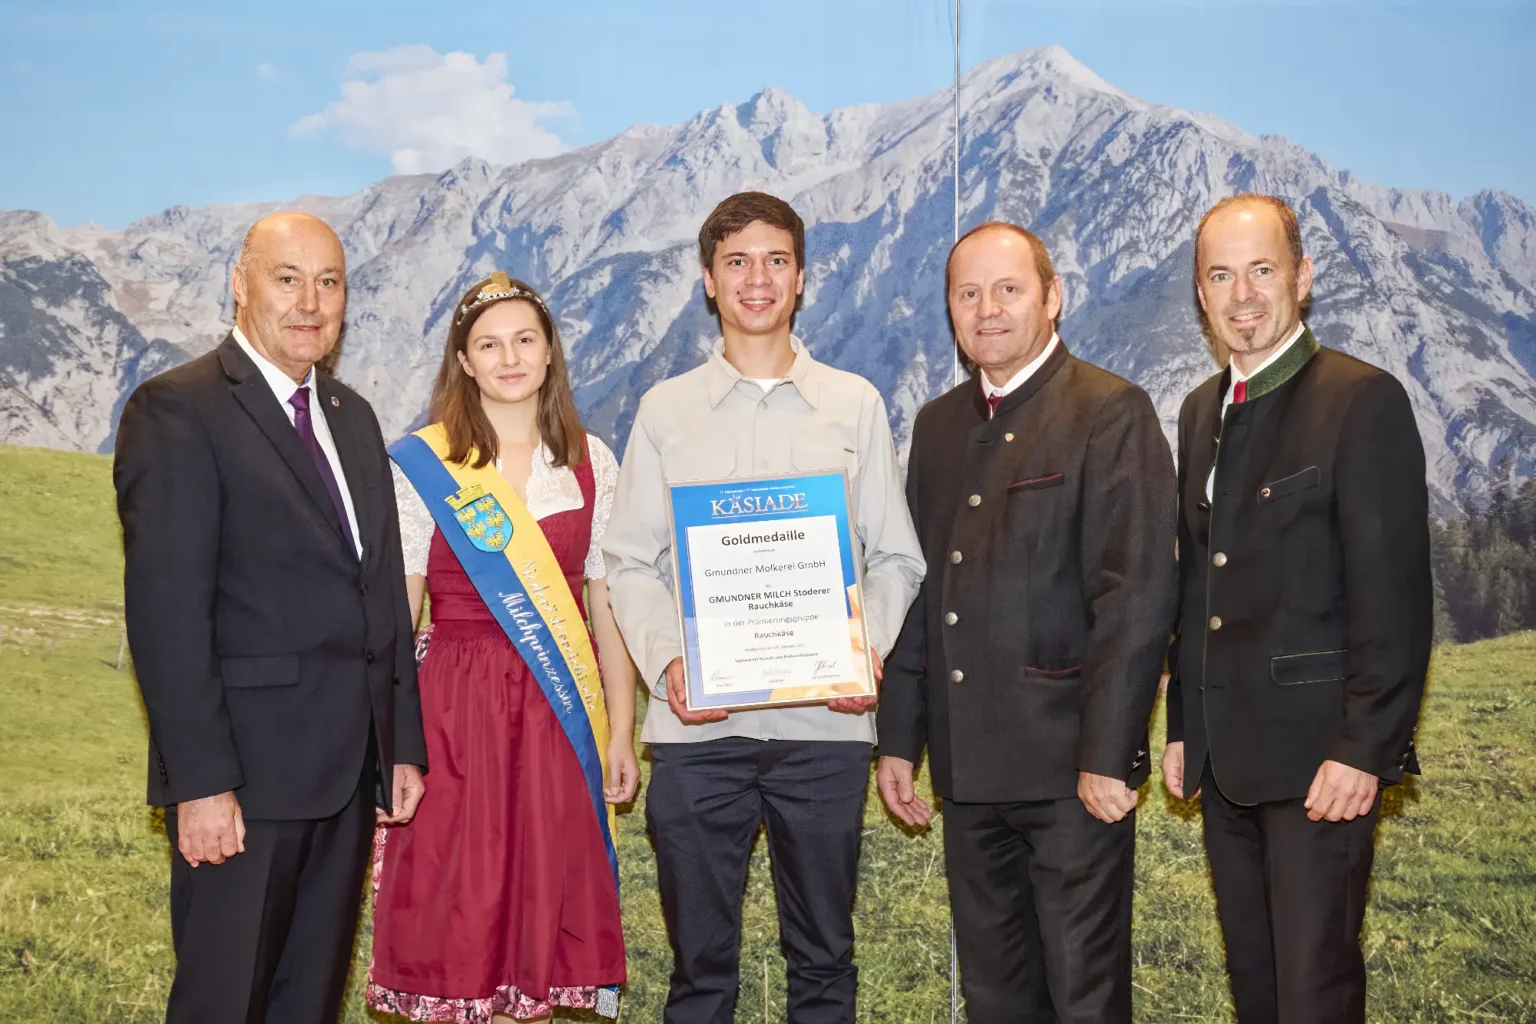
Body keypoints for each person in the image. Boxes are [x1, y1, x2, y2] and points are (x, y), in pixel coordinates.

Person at [602, 191, 924, 1023]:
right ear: (709, 280)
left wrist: (868, 648)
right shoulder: (665, 411)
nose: (757, 279)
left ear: (802, 278)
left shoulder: (853, 404)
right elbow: (628, 559)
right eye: (736, 261)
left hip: (824, 731)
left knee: (823, 962)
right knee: (700, 973)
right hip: (698, 736)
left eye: (776, 260)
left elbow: (895, 556)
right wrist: (672, 658)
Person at [113, 210, 427, 1024]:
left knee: (307, 1004)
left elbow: (382, 591)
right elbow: (167, 615)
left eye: (329, 283)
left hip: (349, 776)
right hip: (244, 786)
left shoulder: (354, 418)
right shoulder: (177, 410)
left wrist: (400, 743)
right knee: (225, 1003)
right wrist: (203, 783)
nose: (310, 302)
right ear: (241, 283)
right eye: (288, 279)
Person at [876, 221, 1177, 1024]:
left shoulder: (1111, 410)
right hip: (968, 773)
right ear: (950, 310)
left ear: (1052, 296)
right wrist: (900, 738)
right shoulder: (938, 426)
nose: (988, 310)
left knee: (1083, 996)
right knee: (996, 999)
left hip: (1072, 776)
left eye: (1008, 289)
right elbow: (920, 590)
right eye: (967, 294)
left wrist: (1109, 756)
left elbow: (1137, 592)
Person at [1162, 193, 1432, 1024]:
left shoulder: (1363, 399)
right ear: (1201, 296)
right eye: (1221, 275)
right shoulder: (1200, 409)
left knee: (1314, 997)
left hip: (1323, 767)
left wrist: (1365, 748)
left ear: (1302, 278)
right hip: (1225, 762)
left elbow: (1395, 598)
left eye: (1262, 270)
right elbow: (1197, 585)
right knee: (1258, 993)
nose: (1242, 294)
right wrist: (1181, 726)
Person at [367, 272, 637, 1023]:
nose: (509, 357)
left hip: (559, 707)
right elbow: (402, 608)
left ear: (550, 353)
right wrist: (395, 740)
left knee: (541, 896)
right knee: (459, 898)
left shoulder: (593, 462)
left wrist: (620, 729)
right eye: (489, 344)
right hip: (454, 705)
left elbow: (603, 604)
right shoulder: (422, 464)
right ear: (464, 359)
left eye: (524, 340)